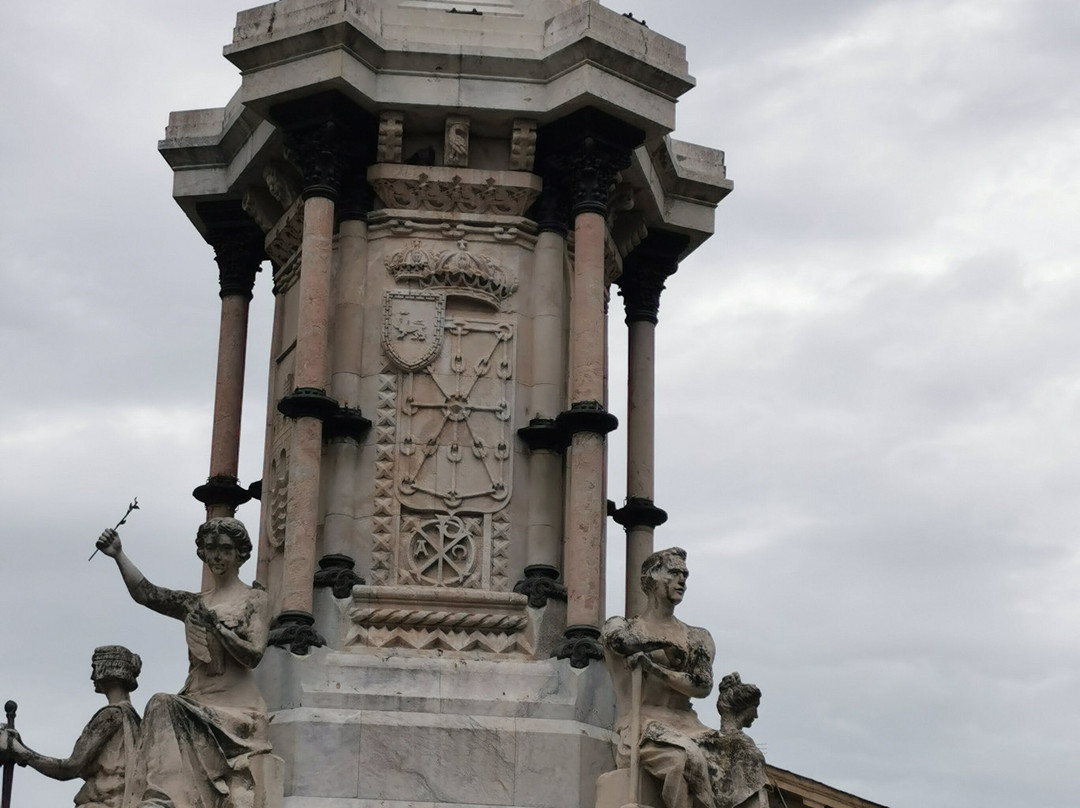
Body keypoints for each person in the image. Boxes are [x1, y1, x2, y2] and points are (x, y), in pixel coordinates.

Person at [95, 517, 271, 808]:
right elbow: (146, 594)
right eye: (210, 548)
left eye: (225, 549)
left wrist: (218, 628)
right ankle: (160, 800)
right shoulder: (194, 603)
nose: (217, 556)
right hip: (195, 701)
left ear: (240, 554)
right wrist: (118, 554)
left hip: (236, 708)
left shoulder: (254, 599)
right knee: (160, 703)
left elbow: (253, 654)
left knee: (165, 703)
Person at [601, 547, 720, 808]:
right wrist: (662, 645)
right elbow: (619, 642)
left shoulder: (697, 636)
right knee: (684, 759)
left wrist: (655, 667)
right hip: (643, 725)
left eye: (685, 575)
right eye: (675, 573)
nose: (682, 581)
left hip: (689, 724)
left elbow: (702, 686)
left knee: (743, 755)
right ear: (651, 577)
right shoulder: (623, 625)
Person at [0, 646, 142, 808]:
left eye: (94, 668)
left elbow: (68, 769)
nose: (92, 676)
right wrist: (20, 746)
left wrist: (16, 749)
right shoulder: (134, 720)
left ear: (108, 669)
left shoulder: (110, 715)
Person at [713, 673, 767, 808]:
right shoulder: (744, 747)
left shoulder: (710, 741)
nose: (756, 715)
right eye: (754, 707)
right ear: (742, 709)